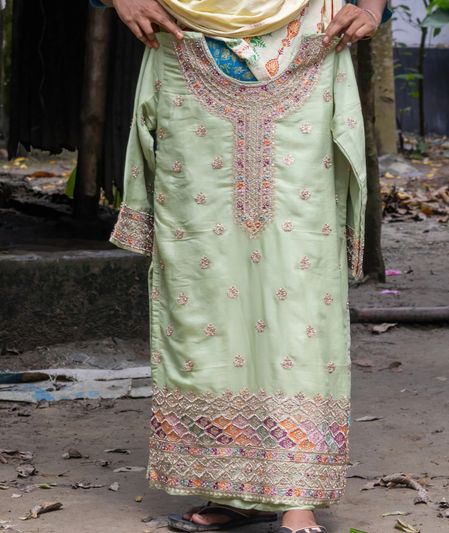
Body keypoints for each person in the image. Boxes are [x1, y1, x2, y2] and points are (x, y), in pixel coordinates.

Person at [100, 0, 388, 531]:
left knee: (298, 281)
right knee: (204, 286)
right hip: (183, 37)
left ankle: (296, 491)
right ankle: (227, 486)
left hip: (308, 39)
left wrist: (371, 6)